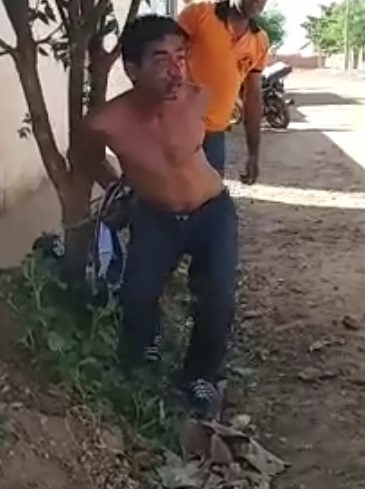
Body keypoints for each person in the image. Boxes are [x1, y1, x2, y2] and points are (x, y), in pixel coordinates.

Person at [70, 15, 238, 419]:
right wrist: (121, 187)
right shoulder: (105, 122)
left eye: (180, 56)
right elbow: (85, 159)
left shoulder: (199, 98)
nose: (176, 70)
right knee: (137, 294)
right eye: (161, 60)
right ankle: (143, 353)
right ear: (132, 69)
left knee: (217, 299)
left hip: (212, 211)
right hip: (155, 216)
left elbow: (203, 147)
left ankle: (199, 376)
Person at [178, 0, 270, 182]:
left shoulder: (259, 41)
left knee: (210, 194)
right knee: (169, 193)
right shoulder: (199, 14)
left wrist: (253, 155)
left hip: (215, 136)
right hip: (178, 129)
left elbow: (252, 97)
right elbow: (166, 57)